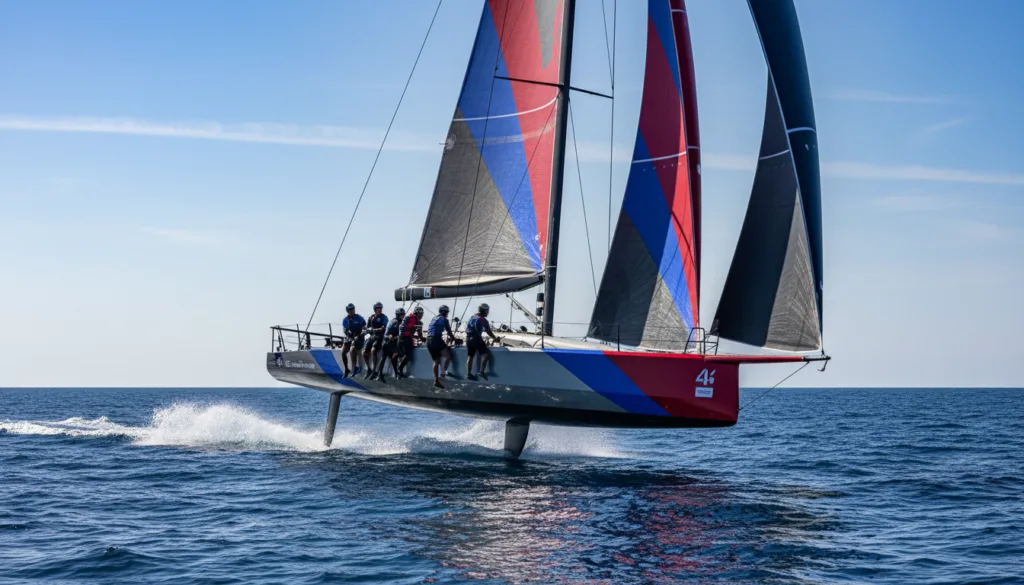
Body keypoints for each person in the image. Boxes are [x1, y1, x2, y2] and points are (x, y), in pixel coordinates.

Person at [465, 303, 498, 381]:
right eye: (487, 310)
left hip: (468, 339)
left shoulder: (472, 317)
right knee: (485, 355)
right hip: (476, 339)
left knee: (470, 356)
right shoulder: (482, 319)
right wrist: (495, 338)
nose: (488, 312)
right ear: (484, 311)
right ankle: (481, 372)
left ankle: (469, 374)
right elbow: (488, 331)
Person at [426, 305, 454, 388]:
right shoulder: (444, 319)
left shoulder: (434, 318)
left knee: (436, 361)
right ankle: (443, 374)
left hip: (429, 340)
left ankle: (436, 380)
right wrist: (454, 339)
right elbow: (449, 331)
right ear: (445, 312)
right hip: (436, 339)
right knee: (447, 356)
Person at [375, 307, 405, 382]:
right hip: (387, 343)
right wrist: (392, 337)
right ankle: (380, 374)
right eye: (402, 315)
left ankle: (396, 373)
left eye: (403, 315)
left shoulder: (400, 322)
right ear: (398, 315)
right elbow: (388, 334)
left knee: (395, 357)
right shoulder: (394, 322)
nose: (403, 316)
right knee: (384, 358)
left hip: (392, 343)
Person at [363, 302, 389, 379]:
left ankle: (374, 371)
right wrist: (367, 330)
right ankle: (369, 369)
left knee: (373, 350)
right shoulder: (371, 317)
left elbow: (384, 327)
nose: (380, 310)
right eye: (378, 308)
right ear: (375, 309)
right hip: (372, 336)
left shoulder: (384, 317)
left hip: (380, 336)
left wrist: (375, 329)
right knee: (364, 352)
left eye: (381, 308)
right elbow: (367, 328)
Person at [398, 305, 425, 377]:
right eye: (419, 313)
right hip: (404, 338)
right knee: (408, 355)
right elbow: (402, 327)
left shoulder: (420, 323)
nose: (421, 315)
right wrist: (400, 337)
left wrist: (424, 339)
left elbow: (420, 334)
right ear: (416, 313)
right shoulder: (409, 318)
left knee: (408, 355)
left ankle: (402, 369)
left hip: (409, 338)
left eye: (422, 314)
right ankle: (399, 369)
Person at [341, 303, 366, 378]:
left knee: (352, 349)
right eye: (350, 309)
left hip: (359, 337)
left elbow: (365, 327)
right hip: (351, 337)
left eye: (353, 309)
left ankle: (354, 368)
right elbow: (345, 330)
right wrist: (351, 336)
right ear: (347, 311)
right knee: (343, 351)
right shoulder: (345, 320)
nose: (352, 311)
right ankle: (346, 369)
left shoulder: (359, 317)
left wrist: (360, 334)